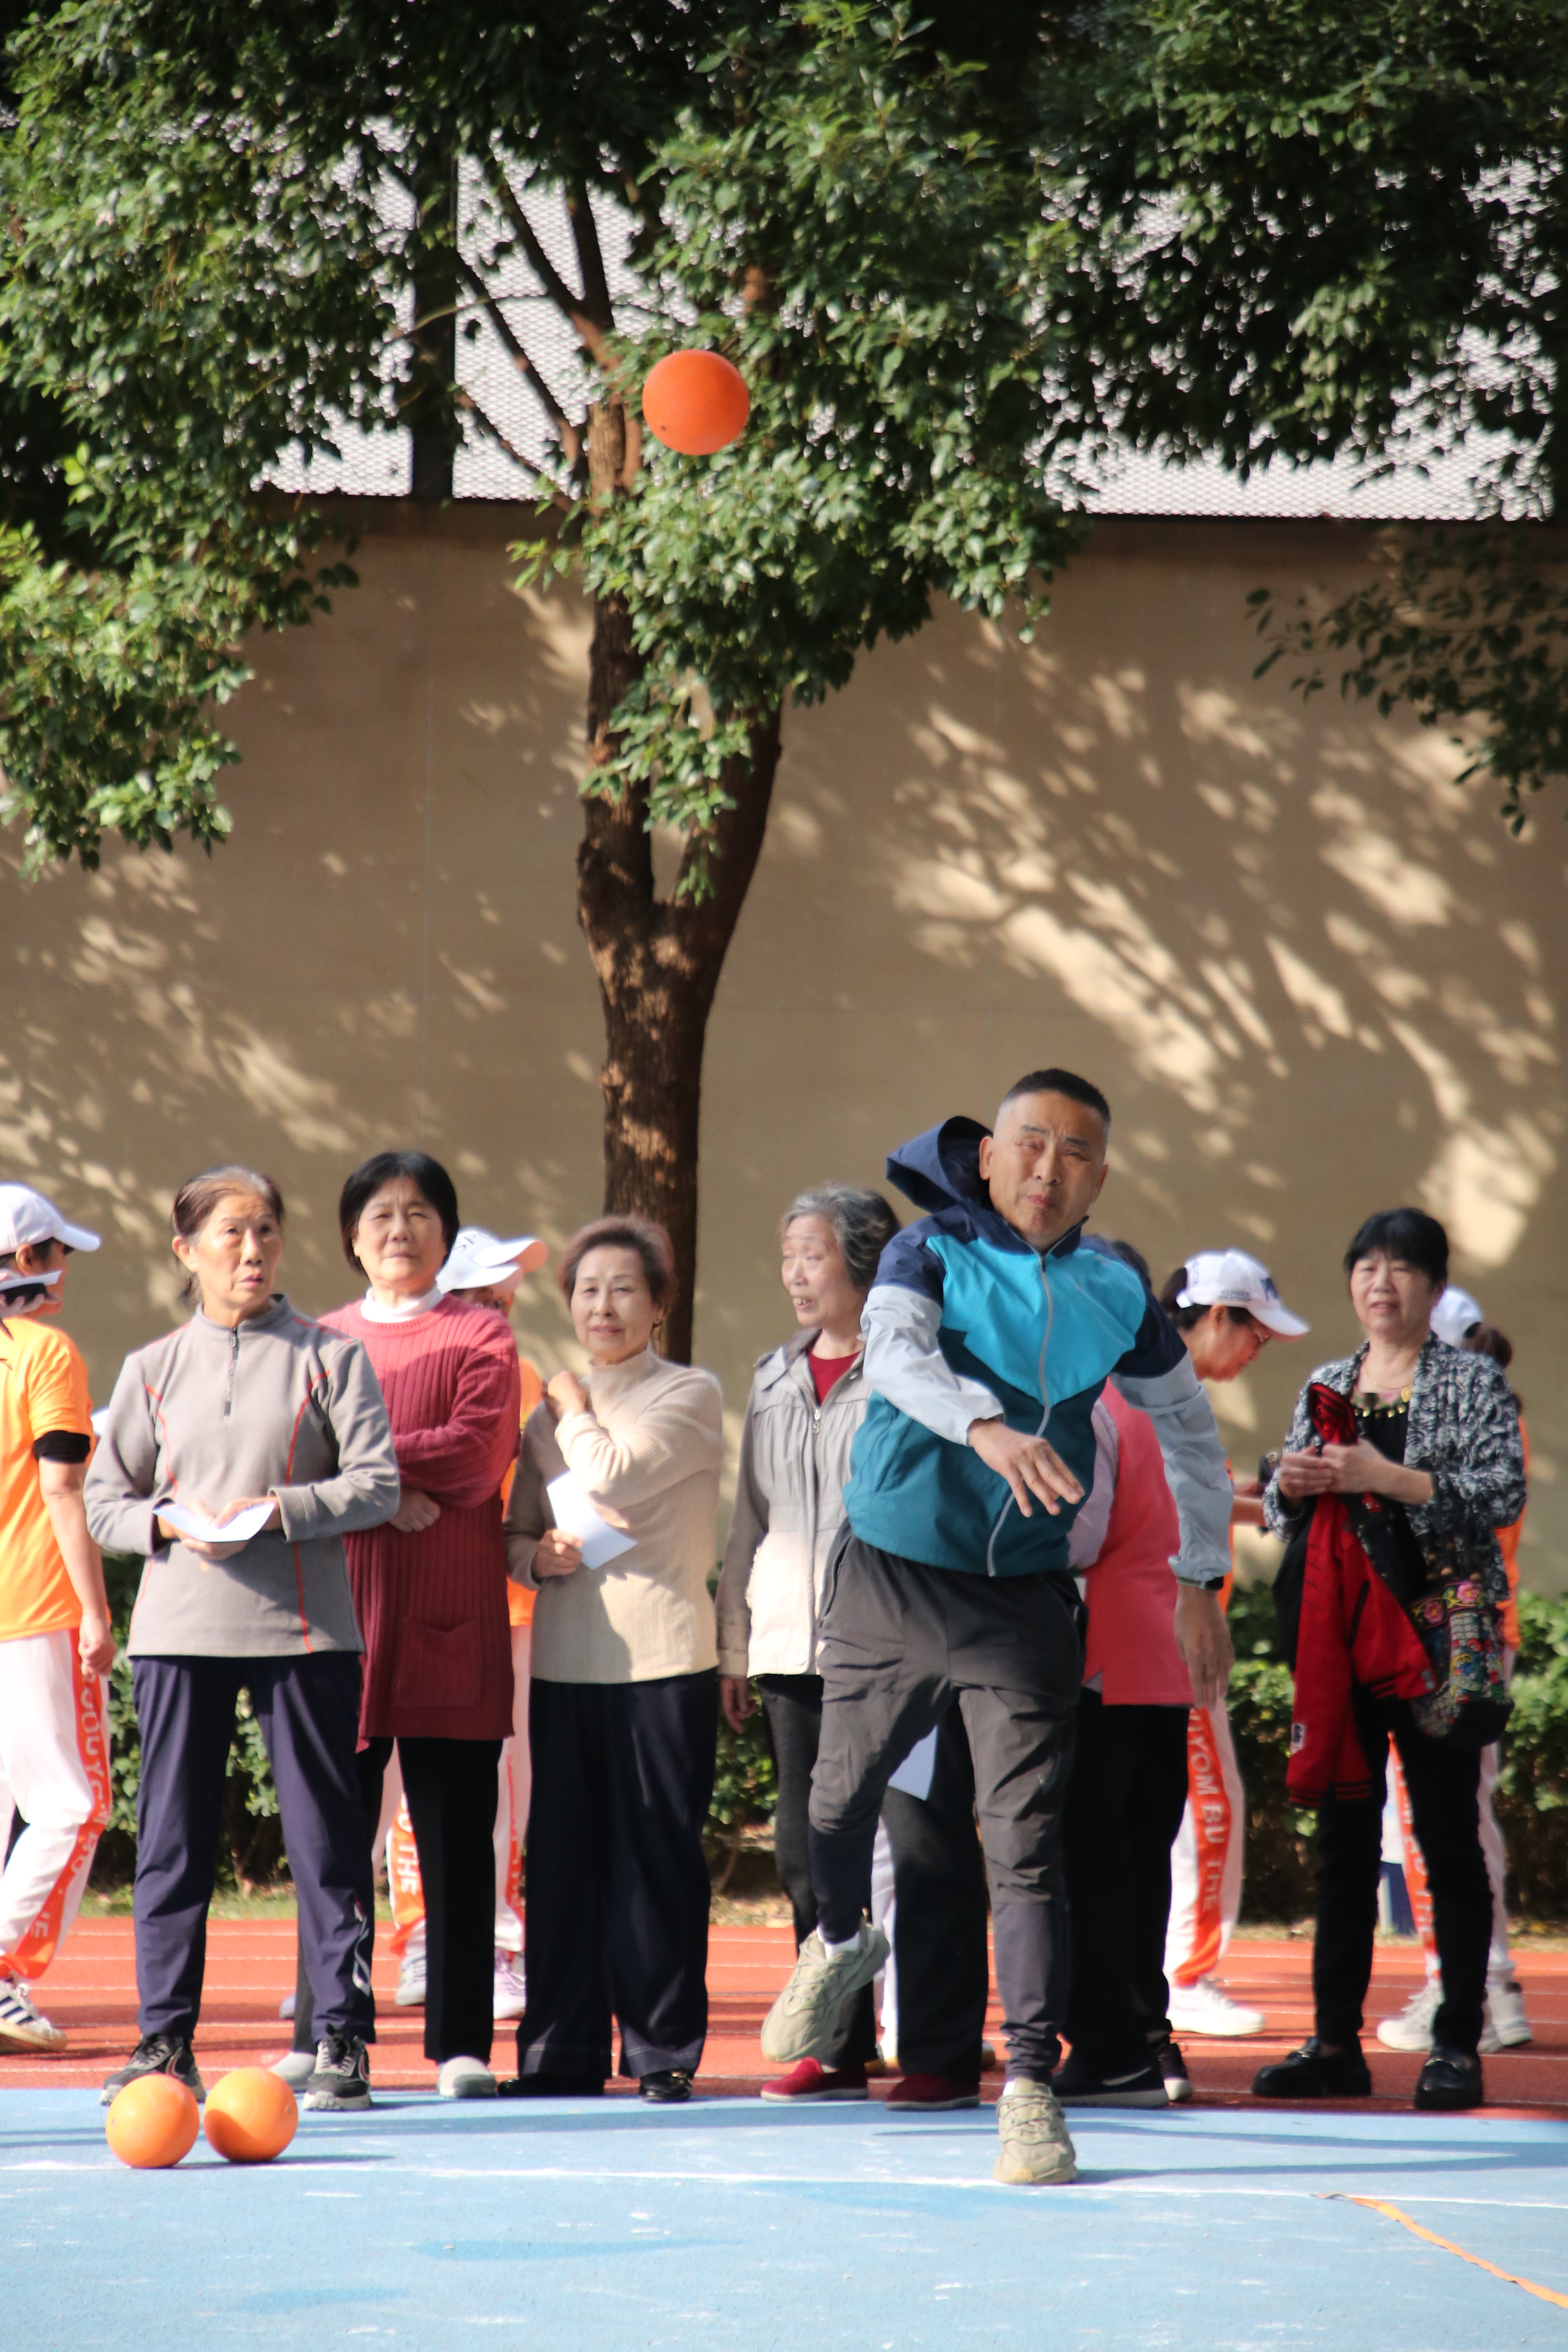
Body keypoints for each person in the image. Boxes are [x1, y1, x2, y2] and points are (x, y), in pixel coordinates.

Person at [758, 1071, 1236, 2186]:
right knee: (834, 1804)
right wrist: (984, 1429)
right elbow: (896, 1358)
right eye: (1030, 1143)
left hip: (1022, 1599)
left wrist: (1200, 1576)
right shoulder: (927, 1251)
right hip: (891, 1574)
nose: (1048, 1168)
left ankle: (1028, 2089)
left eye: (1076, 1152)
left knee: (1024, 1847)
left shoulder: (1116, 1290)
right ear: (988, 1156)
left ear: (1100, 1177)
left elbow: (1190, 1431)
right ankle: (840, 1944)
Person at [84, 1168, 399, 2107]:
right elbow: (105, 1501)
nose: (253, 1250)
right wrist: (166, 1524)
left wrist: (279, 1511)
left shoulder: (332, 1358)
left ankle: (342, 2038)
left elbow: (377, 1484)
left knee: (326, 1844)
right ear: (186, 1251)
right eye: (231, 1233)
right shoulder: (151, 1367)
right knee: (171, 1843)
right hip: (179, 1632)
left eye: (266, 1231)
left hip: (305, 1634)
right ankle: (164, 2040)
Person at [1254, 1207, 1523, 2114]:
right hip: (1343, 1635)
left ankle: (1457, 2042)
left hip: (1439, 1637)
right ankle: (1336, 2044)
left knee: (1447, 1838)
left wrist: (1388, 1478)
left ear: (1435, 1287)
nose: (1381, 1281)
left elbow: (1501, 1493)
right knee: (1343, 1839)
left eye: (1402, 1267)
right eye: (1366, 1265)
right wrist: (1291, 1485)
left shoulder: (1472, 1380)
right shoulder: (1328, 1382)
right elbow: (1282, 1511)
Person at [718, 1183, 978, 2108]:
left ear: (866, 1263)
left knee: (921, 1843)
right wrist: (737, 1646)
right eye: (788, 1255)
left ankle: (942, 2053)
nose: (795, 1274)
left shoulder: (917, 1369)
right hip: (793, 1647)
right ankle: (835, 2045)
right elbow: (750, 1520)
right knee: (808, 1849)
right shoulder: (773, 1375)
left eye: (814, 1255)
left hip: (900, 1646)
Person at [285, 1154, 523, 2101]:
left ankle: (460, 2043)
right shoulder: (318, 1341)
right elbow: (293, 1458)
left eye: (419, 1213)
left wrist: (366, 1478)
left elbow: (476, 1454)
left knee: (458, 1839)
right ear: (352, 1236)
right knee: (329, 1839)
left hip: (448, 1615)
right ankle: (324, 2030)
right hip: (339, 1619)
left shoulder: (482, 1335)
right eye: (379, 1214)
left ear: (447, 1234)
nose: (399, 1230)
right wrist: (388, 1493)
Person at [1055, 1241, 1307, 2108]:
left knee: (1096, 1861)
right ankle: (1148, 2037)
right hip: (1164, 1663)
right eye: (1254, 1332)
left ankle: (1111, 2044)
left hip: (1104, 1660)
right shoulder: (1176, 1406)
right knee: (1142, 1854)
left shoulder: (1098, 1401)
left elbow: (1081, 1537)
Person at [503, 1216, 723, 2103]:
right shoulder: (549, 1416)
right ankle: (559, 2052)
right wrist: (537, 1559)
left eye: (624, 1288)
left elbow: (611, 1476)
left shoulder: (689, 1393)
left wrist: (573, 1406)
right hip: (566, 1665)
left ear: (659, 1305)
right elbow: (516, 1532)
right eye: (587, 1290)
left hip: (662, 1667)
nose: (603, 1306)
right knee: (559, 1863)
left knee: (655, 1860)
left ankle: (661, 2049)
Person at [381, 1225, 548, 2027]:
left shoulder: (525, 1373)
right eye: (484, 1300)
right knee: (399, 1789)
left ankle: (490, 1947)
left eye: (505, 1302)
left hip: (500, 1603)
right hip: (405, 1599)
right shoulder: (390, 1361)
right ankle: (416, 1942)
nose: (499, 1316)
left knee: (496, 1788)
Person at [1158, 1250, 1310, 2042]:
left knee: (1173, 1814)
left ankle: (1161, 1975)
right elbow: (1185, 1509)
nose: (1259, 1351)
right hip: (1174, 1646)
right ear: (1218, 1316)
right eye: (1256, 1333)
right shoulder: (1162, 1395)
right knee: (1209, 1810)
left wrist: (1269, 1497)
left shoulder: (1159, 1388)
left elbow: (1202, 1501)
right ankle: (1184, 1977)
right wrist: (1282, 1500)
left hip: (1153, 1640)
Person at [1378, 1314, 1532, 2057]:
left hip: (1446, 1635)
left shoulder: (1454, 1426)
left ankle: (1463, 1987)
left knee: (1434, 1823)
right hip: (1481, 1632)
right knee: (1467, 1820)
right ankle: (1492, 1986)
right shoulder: (1500, 1419)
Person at [0, 1185, 113, 2056]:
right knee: (71, 1804)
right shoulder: (45, 1352)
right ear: (26, 1261)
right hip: (33, 1600)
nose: (64, 1266)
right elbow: (63, 1489)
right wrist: (99, 1612)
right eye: (57, 1250)